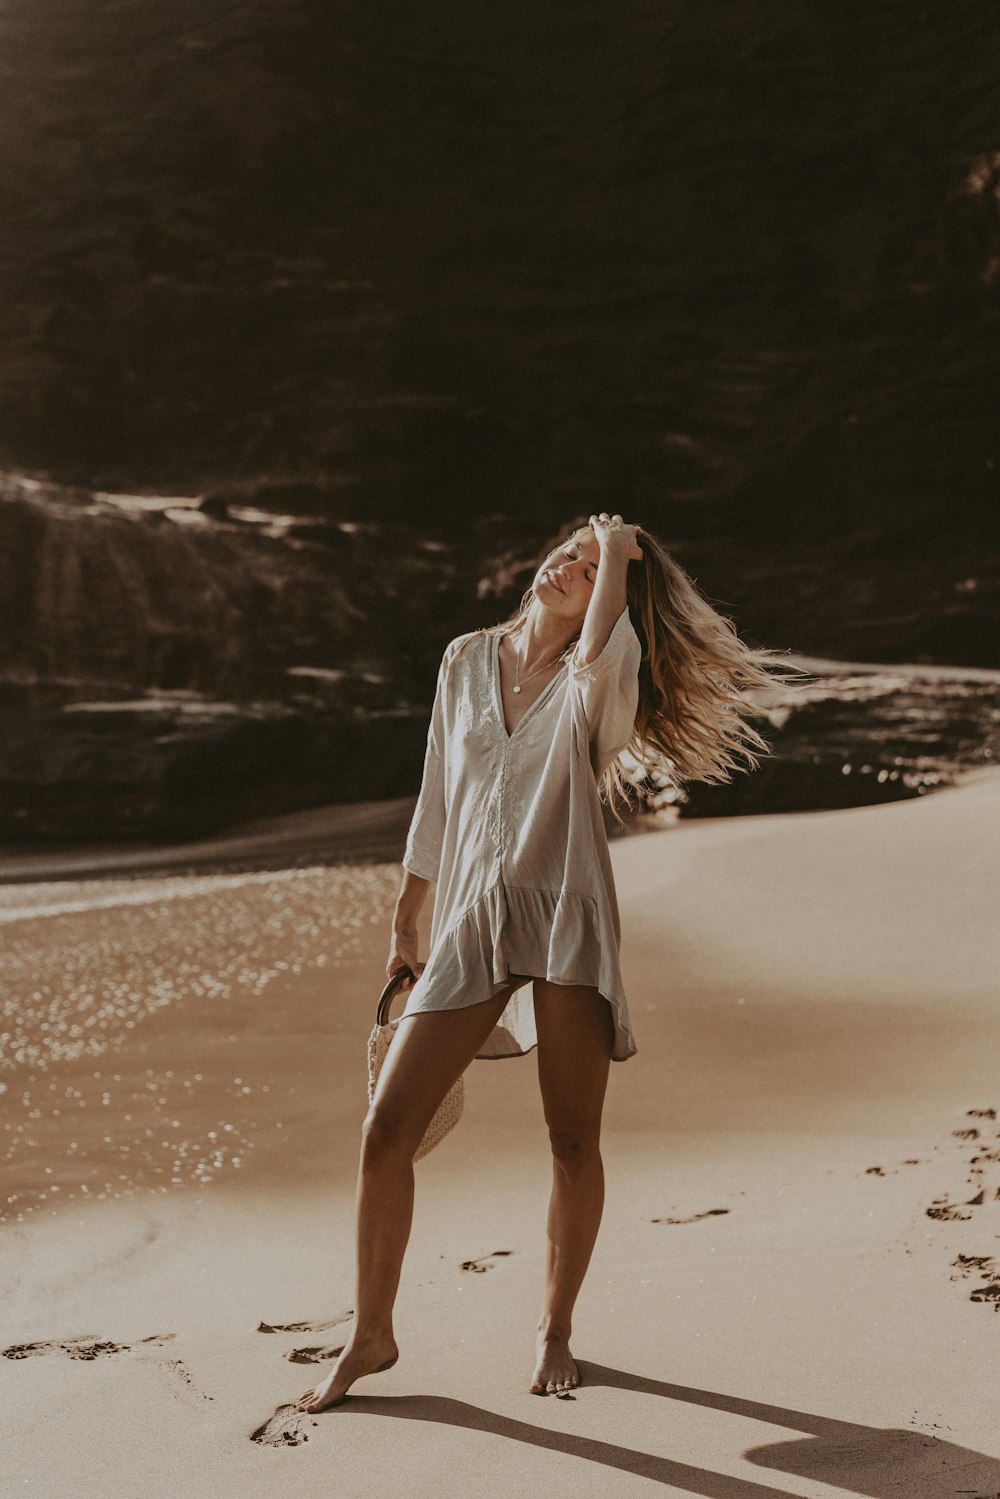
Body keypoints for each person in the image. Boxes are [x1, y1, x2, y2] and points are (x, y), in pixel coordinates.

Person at [296, 511, 788, 1412]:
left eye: (592, 562)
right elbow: (437, 793)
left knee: (571, 1139)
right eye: (568, 547)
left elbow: (600, 653)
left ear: (618, 591)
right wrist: (410, 910)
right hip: (473, 919)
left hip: (568, 915)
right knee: (385, 1129)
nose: (570, 561)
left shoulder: (605, 667)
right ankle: (372, 1331)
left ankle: (557, 1328)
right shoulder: (464, 658)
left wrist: (624, 557)